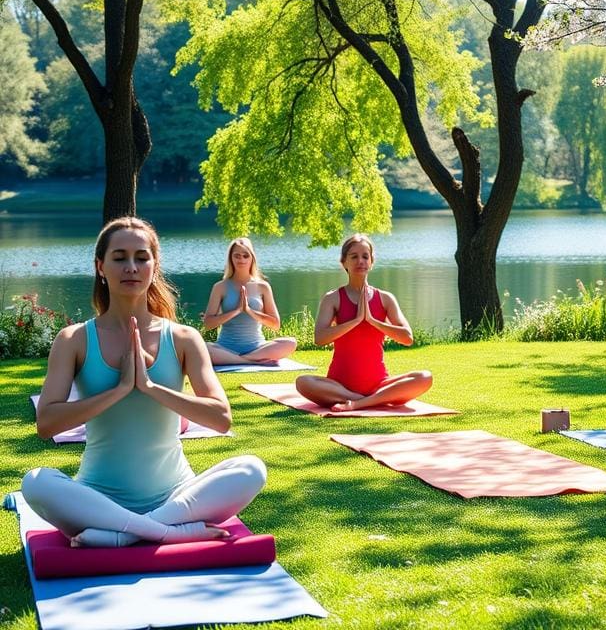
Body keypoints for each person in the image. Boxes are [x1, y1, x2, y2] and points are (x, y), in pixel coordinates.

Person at [22, 217, 267, 548]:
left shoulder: (183, 338)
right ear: (100, 266)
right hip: (97, 499)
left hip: (176, 497)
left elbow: (221, 418)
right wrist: (120, 389)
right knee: (35, 482)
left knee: (251, 469)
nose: (131, 267)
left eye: (141, 257)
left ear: (154, 265)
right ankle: (165, 532)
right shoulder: (74, 339)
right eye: (119, 257)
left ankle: (125, 534)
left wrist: (151, 388)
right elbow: (46, 424)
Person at [295, 234, 432, 412]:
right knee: (303, 382)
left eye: (365, 256)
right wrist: (355, 321)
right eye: (354, 256)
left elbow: (407, 338)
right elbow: (319, 338)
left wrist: (373, 321)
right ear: (344, 262)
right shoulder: (333, 298)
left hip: (379, 383)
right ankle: (372, 401)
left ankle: (359, 403)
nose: (360, 261)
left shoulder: (385, 298)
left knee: (424, 377)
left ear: (371, 262)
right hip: (338, 386)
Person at [203, 237, 297, 365]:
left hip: (257, 347)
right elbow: (208, 324)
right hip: (225, 348)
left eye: (245, 256)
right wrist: (236, 311)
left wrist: (249, 311)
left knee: (290, 343)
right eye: (237, 256)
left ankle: (242, 360)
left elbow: (275, 324)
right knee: (203, 348)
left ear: (252, 258)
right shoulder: (220, 287)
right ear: (231, 258)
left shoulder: (263, 286)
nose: (241, 259)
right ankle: (253, 361)